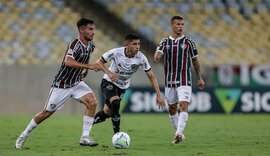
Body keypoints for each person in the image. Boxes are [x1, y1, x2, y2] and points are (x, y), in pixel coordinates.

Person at [15, 18, 100, 148]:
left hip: (76, 83)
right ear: (82, 30)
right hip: (62, 85)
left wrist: (85, 70)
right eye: (90, 29)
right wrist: (89, 66)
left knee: (92, 102)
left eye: (93, 29)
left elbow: (86, 55)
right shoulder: (75, 44)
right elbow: (68, 62)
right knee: (46, 113)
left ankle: (85, 137)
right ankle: (24, 135)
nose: (93, 32)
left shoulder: (91, 45)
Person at [93, 33, 165, 134]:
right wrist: (109, 73)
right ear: (127, 45)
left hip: (122, 86)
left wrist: (159, 95)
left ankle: (89, 123)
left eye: (138, 44)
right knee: (115, 103)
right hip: (109, 81)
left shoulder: (141, 58)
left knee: (107, 112)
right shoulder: (116, 52)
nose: (137, 47)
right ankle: (117, 135)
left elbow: (151, 76)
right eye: (134, 44)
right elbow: (99, 62)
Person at [154, 16, 205, 144]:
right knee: (172, 108)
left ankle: (178, 133)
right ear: (172, 26)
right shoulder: (165, 41)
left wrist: (199, 78)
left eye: (182, 24)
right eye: (178, 24)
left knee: (183, 104)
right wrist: (157, 55)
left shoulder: (189, 42)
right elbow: (158, 52)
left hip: (184, 79)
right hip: (169, 81)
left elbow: (195, 60)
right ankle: (179, 133)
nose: (181, 26)